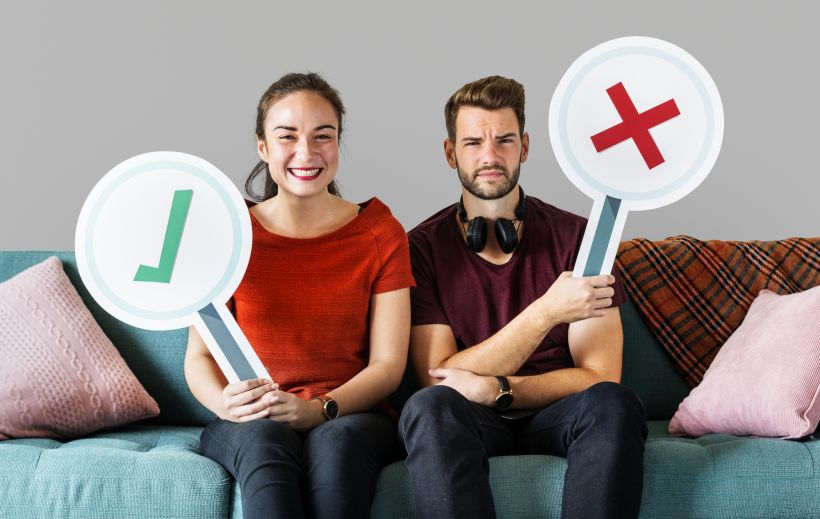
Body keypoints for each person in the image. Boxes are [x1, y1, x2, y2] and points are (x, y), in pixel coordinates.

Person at [399, 76, 648, 519]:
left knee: (614, 403)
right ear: (450, 153)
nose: (490, 156)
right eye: (473, 142)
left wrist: (498, 389)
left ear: (525, 147)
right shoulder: (420, 249)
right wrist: (546, 311)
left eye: (505, 140)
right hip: (469, 418)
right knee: (430, 407)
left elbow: (600, 376)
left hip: (558, 413)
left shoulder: (582, 239)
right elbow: (440, 379)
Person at [184, 72, 414, 519]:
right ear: (263, 147)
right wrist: (223, 404)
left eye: (322, 136)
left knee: (337, 448)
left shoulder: (380, 233)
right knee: (263, 441)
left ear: (338, 143)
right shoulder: (228, 235)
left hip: (347, 415)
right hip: (253, 420)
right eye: (287, 136)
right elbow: (199, 356)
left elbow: (388, 366)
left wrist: (319, 409)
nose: (306, 152)